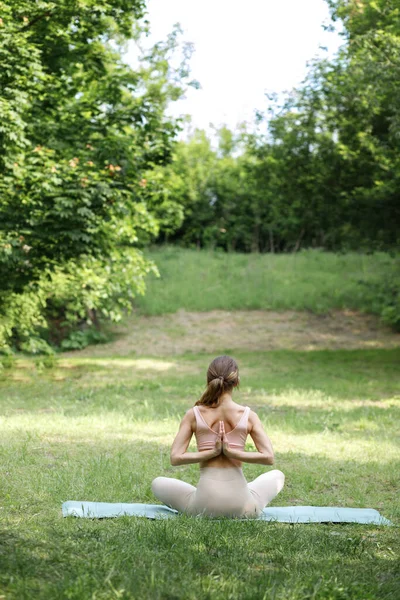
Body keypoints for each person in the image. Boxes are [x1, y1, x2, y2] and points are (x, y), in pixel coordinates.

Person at [152, 355, 285, 518]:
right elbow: (269, 457)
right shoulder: (249, 416)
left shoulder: (193, 415)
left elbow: (175, 458)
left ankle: (216, 495)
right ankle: (244, 491)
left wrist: (211, 453)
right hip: (245, 509)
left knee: (157, 483)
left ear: (209, 380)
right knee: (277, 475)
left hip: (202, 508)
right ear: (236, 382)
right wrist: (232, 453)